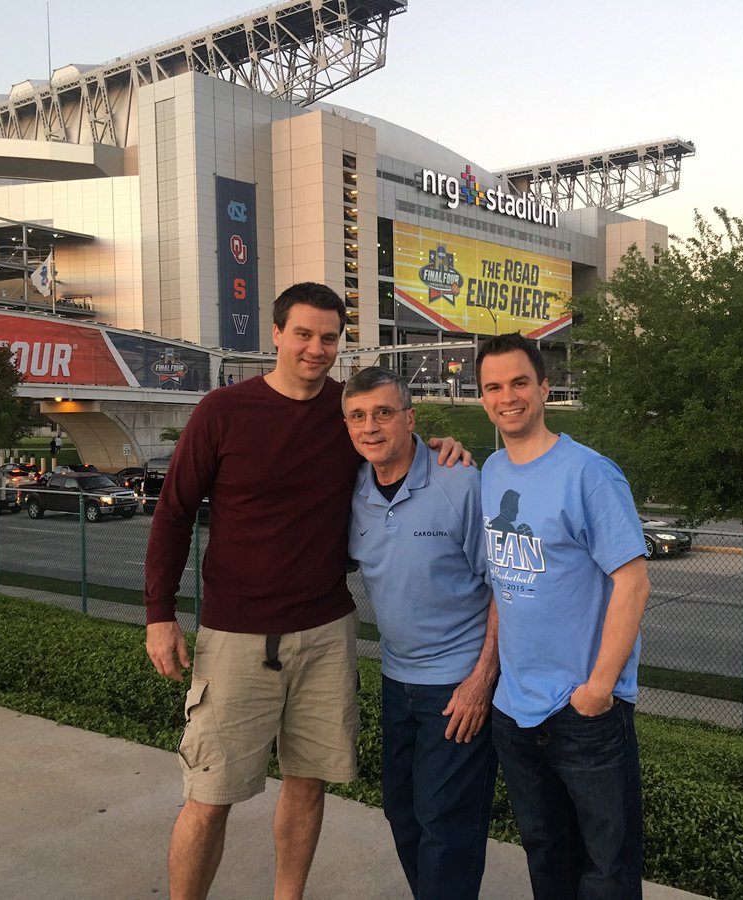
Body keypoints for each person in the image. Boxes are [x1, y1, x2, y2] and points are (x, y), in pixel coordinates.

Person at [143, 282, 469, 900]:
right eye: (303, 334)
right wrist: (160, 615)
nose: (316, 349)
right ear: (275, 333)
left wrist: (447, 449)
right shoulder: (223, 411)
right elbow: (173, 513)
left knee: (308, 783)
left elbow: (396, 446)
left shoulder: (347, 414)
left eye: (328, 337)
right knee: (209, 797)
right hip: (237, 635)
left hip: (324, 632)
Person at [475, 332, 651, 900]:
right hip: (515, 711)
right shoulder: (491, 472)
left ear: (544, 389)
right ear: (482, 399)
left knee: (608, 869)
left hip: (584, 713)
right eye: (494, 386)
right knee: (547, 855)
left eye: (520, 382)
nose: (509, 396)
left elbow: (633, 583)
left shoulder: (589, 473)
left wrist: (599, 689)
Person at [343, 367, 498, 900]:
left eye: (384, 413)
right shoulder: (354, 491)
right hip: (396, 680)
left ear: (410, 418)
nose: (371, 426)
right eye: (358, 416)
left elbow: (503, 587)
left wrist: (482, 679)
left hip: (456, 686)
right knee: (403, 812)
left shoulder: (460, 482)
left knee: (446, 824)